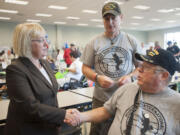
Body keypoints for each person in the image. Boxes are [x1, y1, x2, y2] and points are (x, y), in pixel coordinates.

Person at [66, 48, 180, 135]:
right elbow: (106, 111)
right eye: (141, 65)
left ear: (164, 75)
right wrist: (80, 116)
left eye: (147, 67)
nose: (139, 69)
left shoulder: (176, 104)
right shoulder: (128, 88)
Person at [4, 23, 80, 135]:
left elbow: (51, 96)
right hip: (29, 130)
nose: (47, 45)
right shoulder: (15, 69)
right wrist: (63, 114)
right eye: (41, 40)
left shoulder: (44, 63)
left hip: (49, 126)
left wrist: (60, 114)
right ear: (26, 43)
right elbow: (30, 107)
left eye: (46, 39)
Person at [80, 2, 141, 135]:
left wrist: (131, 77)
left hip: (126, 98)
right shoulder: (93, 43)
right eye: (106, 19)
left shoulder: (131, 41)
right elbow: (85, 68)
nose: (110, 22)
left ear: (121, 18)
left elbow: (140, 68)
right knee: (98, 132)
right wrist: (97, 77)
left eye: (114, 18)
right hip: (101, 99)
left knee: (124, 130)